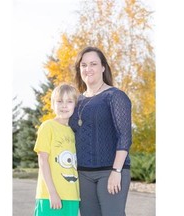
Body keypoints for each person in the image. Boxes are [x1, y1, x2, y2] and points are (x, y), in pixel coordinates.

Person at [69, 46, 132, 216]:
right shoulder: (76, 101)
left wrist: (116, 171)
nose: (88, 69)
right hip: (83, 174)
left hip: (110, 171)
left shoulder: (114, 96)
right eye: (83, 65)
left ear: (103, 67)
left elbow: (124, 136)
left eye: (93, 64)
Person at [34, 83, 80, 216]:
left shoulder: (74, 132)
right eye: (59, 101)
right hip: (50, 195)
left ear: (75, 106)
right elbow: (43, 160)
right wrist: (52, 192)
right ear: (53, 104)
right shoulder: (48, 126)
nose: (64, 105)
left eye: (69, 101)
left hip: (72, 196)